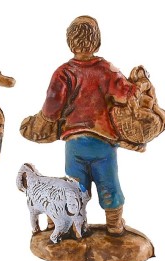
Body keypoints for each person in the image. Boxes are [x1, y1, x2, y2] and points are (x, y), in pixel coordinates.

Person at [22, 16, 139, 235]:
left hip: (74, 142)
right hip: (103, 142)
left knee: (74, 187)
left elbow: (51, 108)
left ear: (69, 42)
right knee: (109, 182)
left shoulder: (64, 72)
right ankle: (114, 224)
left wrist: (41, 123)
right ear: (98, 42)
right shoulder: (107, 70)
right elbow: (125, 94)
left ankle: (73, 226)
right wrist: (138, 83)